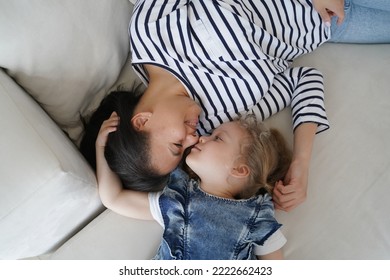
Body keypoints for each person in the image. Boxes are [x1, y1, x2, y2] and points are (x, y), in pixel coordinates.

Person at [81, 0, 390, 211]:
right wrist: (301, 164)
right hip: (330, 25)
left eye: (177, 144)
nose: (193, 140)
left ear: (141, 122)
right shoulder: (220, 120)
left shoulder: (150, 32)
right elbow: (303, 81)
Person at [96, 112, 292, 259]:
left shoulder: (256, 215)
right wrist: (101, 147)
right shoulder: (177, 198)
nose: (202, 137)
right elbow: (113, 198)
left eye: (217, 138)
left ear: (239, 170)